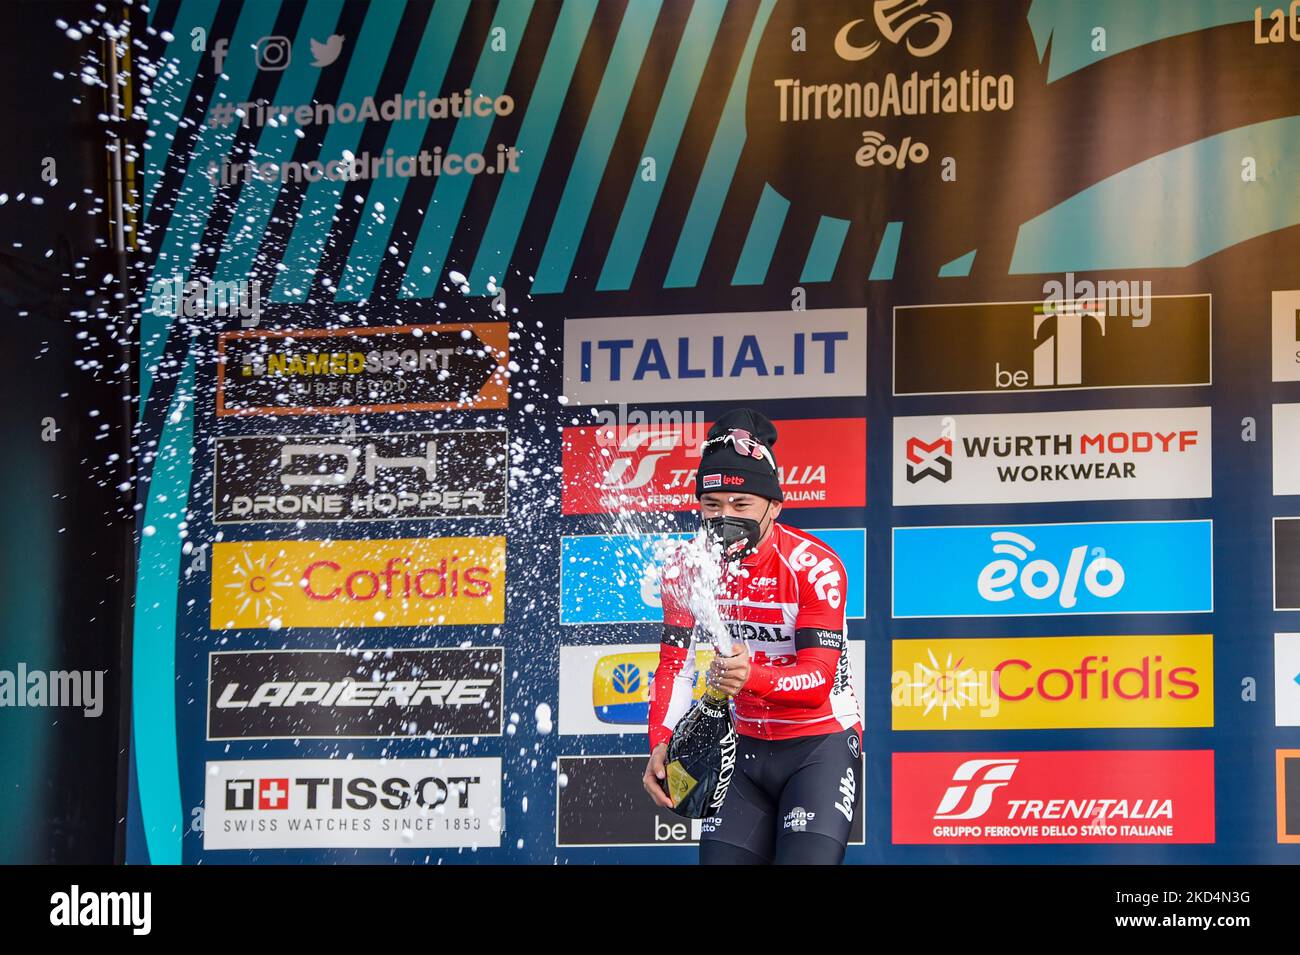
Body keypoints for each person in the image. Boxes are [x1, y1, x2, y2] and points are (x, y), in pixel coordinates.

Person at [641, 408, 862, 864]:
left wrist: (750, 677)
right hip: (739, 749)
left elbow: (818, 682)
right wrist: (660, 741)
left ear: (774, 507)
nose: (725, 517)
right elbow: (674, 668)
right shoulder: (686, 567)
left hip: (818, 745)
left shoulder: (814, 567)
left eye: (741, 506)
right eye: (712, 505)